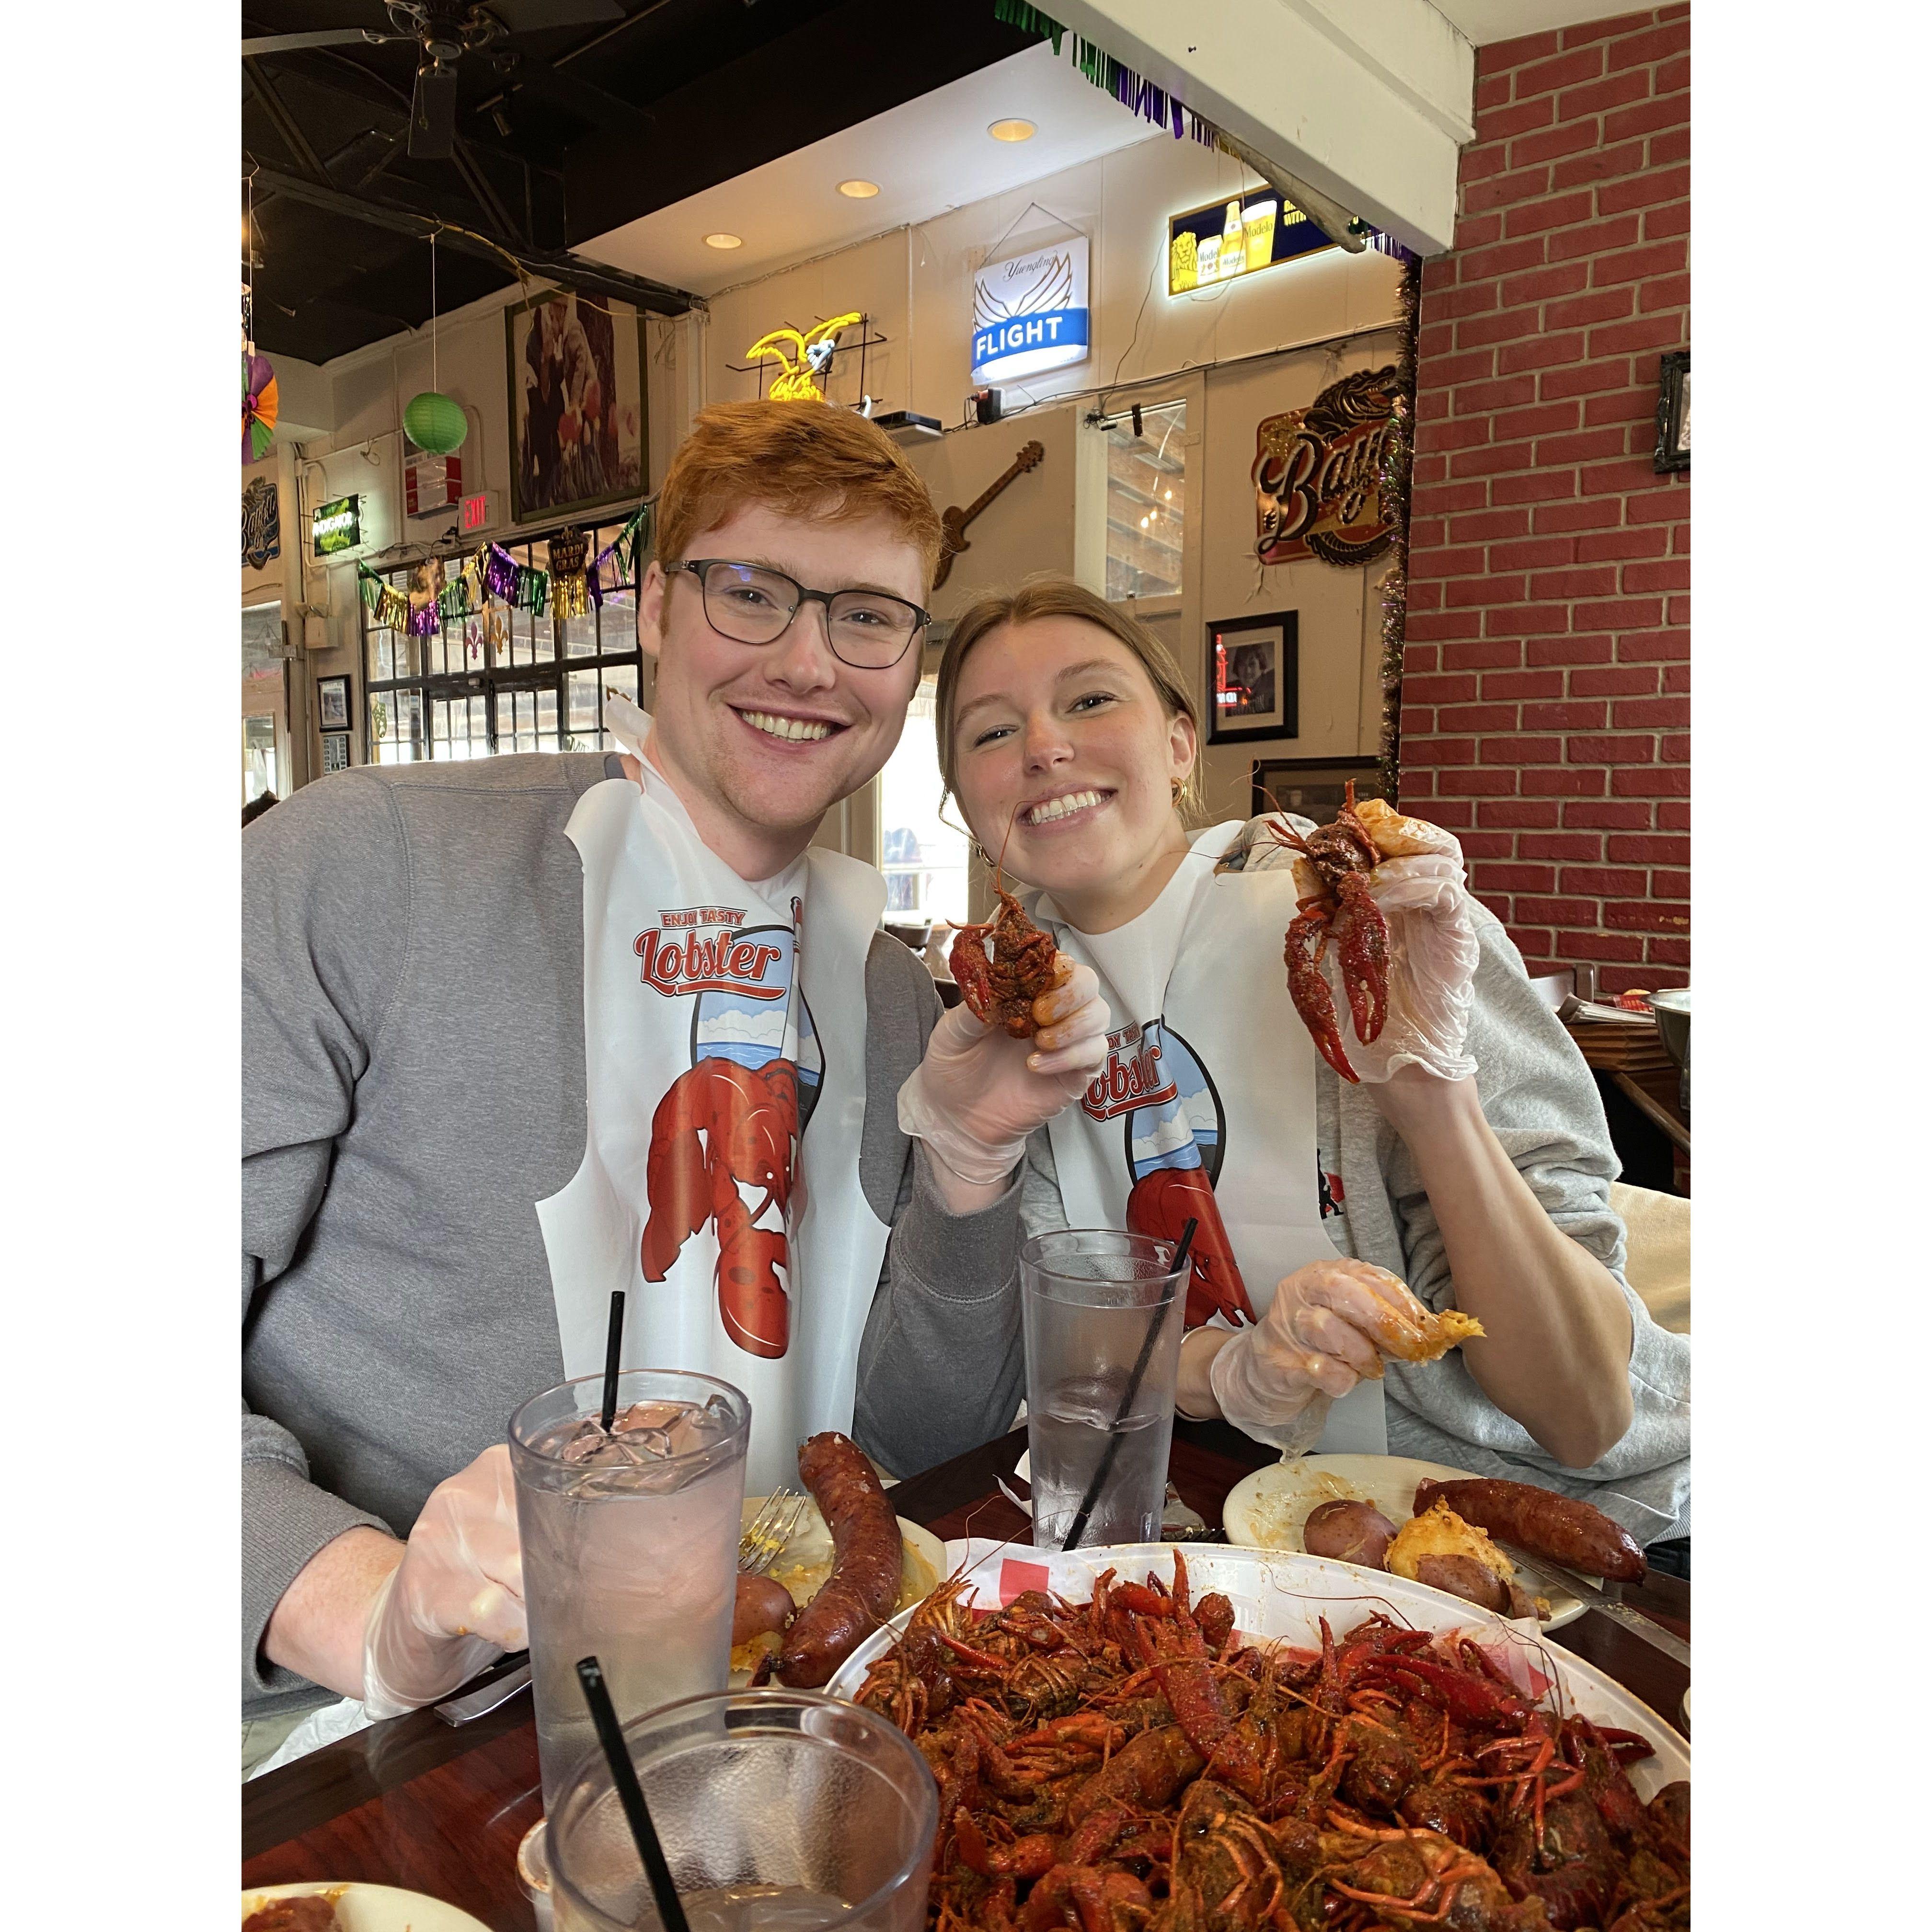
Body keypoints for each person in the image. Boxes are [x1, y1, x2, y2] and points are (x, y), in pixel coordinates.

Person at [243, 403, 1107, 1770]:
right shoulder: (359, 865)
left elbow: (911, 1447)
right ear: (654, 609)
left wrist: (968, 1163)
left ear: (908, 666)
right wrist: (373, 1613)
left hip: (772, 1719)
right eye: (751, 592)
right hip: (382, 1742)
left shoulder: (893, 994)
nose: (808, 663)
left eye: (868, 618)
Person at [864, 575, 1688, 1544]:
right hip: (1268, 1521)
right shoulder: (1013, 1017)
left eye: (1089, 699)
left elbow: (1585, 1411)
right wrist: (1231, 1372)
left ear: (1181, 743)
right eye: (994, 732)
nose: (1044, 746)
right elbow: (1083, 1340)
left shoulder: (1375, 918)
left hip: (1589, 1535)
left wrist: (1434, 1100)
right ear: (964, 800)